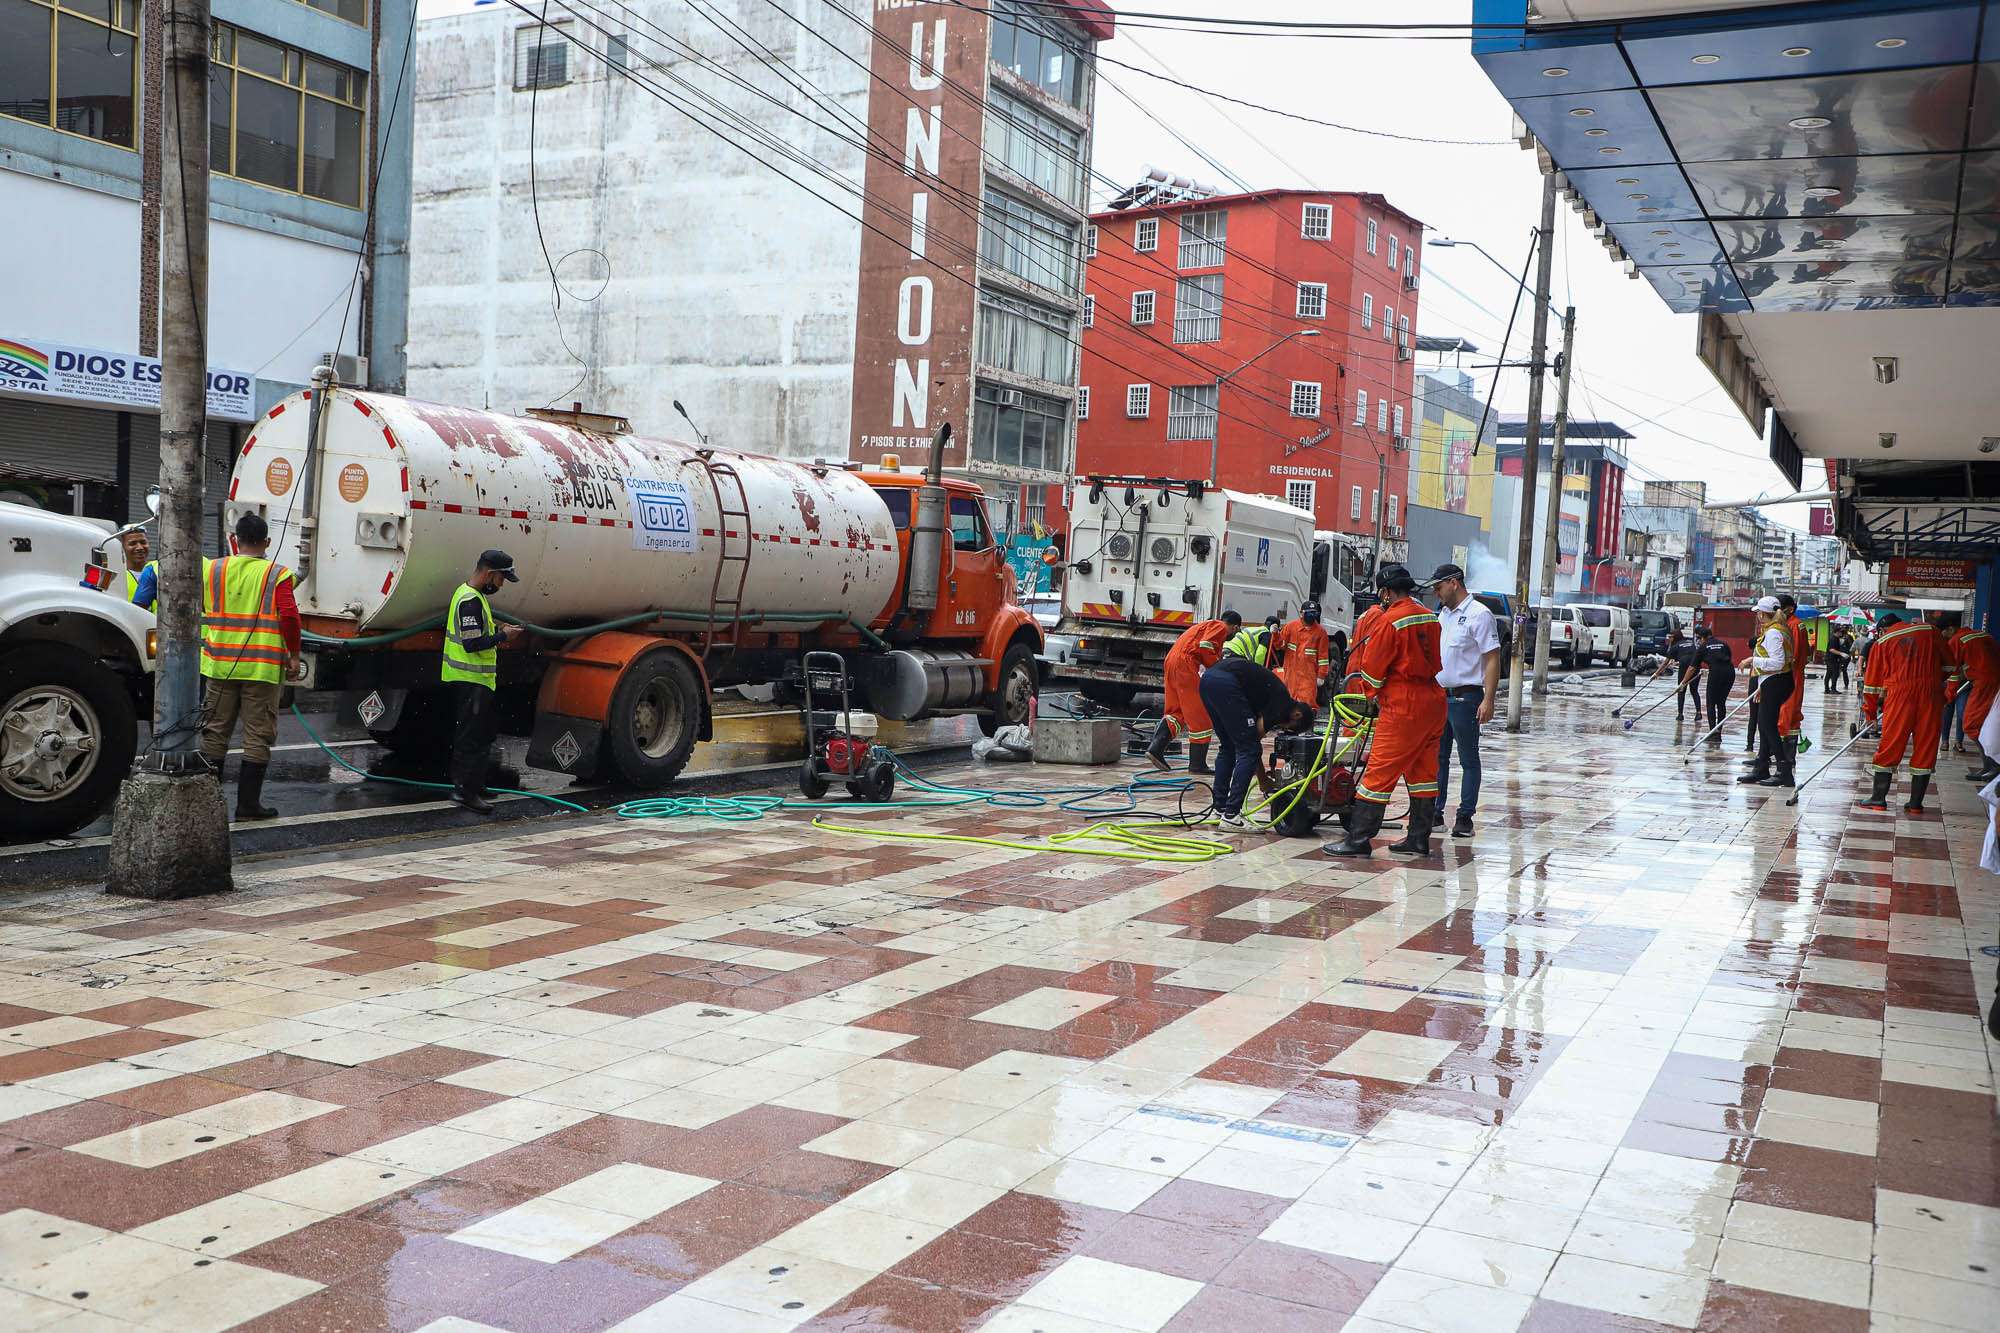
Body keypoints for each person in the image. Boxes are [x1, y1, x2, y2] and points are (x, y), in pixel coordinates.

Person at [1324, 564, 1446, 857]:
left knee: (1378, 772)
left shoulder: (1390, 620)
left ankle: (1358, 840)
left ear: (1387, 592)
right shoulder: (1431, 617)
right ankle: (1418, 839)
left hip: (1404, 703)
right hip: (1434, 698)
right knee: (1424, 772)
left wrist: (1370, 696)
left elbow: (1374, 670)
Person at [198, 513, 301, 820]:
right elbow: (290, 618)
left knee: (214, 732)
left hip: (219, 665)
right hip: (261, 667)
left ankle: (207, 807)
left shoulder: (214, 569)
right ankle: (247, 806)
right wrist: (294, 655)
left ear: (234, 540)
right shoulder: (277, 574)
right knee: (257, 735)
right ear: (267, 542)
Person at [1197, 637, 1313, 831]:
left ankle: (1220, 808)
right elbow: (1251, 745)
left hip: (1208, 680)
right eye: (1290, 727)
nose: (1283, 728)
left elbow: (1247, 740)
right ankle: (1231, 816)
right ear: (1297, 714)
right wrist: (1263, 781)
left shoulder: (1273, 697)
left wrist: (1263, 780)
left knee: (1228, 746)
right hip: (1226, 683)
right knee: (1248, 750)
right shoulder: (1282, 704)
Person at [444, 549, 525, 813]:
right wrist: (504, 637)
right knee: (471, 737)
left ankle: (475, 784)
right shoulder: (470, 601)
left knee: (483, 734)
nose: (501, 585)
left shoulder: (473, 596)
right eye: (502, 579)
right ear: (490, 574)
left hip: (479, 680)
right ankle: (464, 793)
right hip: (469, 679)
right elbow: (472, 644)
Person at [1430, 564, 1499, 839]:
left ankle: (1464, 817)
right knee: (1438, 757)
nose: (1436, 592)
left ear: (1454, 583)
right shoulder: (1443, 615)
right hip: (1439, 696)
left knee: (1468, 759)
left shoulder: (1479, 615)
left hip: (1466, 696)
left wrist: (1489, 699)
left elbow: (1492, 658)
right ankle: (1435, 811)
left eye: (1439, 587)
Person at [1859, 609, 1947, 815]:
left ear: (1881, 630)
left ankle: (1878, 799)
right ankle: (1916, 804)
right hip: (1931, 695)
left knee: (1890, 745)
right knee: (1926, 746)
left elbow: (1870, 686)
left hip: (1900, 697)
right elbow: (1950, 665)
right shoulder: (1931, 631)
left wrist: (1870, 715)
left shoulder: (1882, 643)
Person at [1146, 610, 1240, 774]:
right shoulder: (1220, 626)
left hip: (1172, 661)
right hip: (1185, 664)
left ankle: (1156, 748)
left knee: (1178, 711)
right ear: (1235, 627)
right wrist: (1219, 669)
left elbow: (1203, 647)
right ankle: (1197, 764)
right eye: (1236, 631)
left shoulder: (1205, 625)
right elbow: (1205, 647)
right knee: (1200, 714)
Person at [1737, 596, 1796, 788]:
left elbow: (1777, 663)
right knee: (1764, 725)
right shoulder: (1779, 630)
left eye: (1758, 613)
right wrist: (1762, 685)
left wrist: (1752, 661)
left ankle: (1783, 770)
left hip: (1777, 681)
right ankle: (1762, 767)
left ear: (1762, 614)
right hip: (1774, 682)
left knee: (1767, 726)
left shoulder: (1773, 633)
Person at [1947, 620, 2000, 783]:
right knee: (1986, 723)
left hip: (1984, 684)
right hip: (1993, 682)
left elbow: (1953, 671)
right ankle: (1989, 767)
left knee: (1972, 724)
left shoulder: (1957, 640)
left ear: (1951, 628)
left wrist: (1948, 695)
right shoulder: (1983, 635)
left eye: (1944, 633)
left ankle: (1994, 766)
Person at [1269, 602, 1332, 711]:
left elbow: (1323, 657)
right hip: (1291, 673)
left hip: (1308, 675)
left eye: (1314, 613)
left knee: (1307, 702)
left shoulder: (1321, 633)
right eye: (1309, 613)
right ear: (1301, 613)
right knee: (1289, 699)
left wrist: (1321, 676)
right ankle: (1290, 723)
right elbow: (1280, 646)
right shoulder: (1291, 627)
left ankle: (1306, 724)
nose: (1312, 616)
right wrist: (1275, 635)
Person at [1774, 594, 1811, 760]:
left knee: (1786, 714)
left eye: (1779, 609)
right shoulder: (1791, 624)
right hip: (1792, 674)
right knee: (1790, 715)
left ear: (1789, 609)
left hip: (1790, 674)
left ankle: (1784, 758)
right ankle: (1786, 758)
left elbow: (1792, 655)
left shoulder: (1794, 625)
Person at [1646, 626, 1704, 722]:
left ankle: (1680, 714)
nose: (1669, 639)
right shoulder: (1690, 643)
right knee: (1694, 690)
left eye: (1671, 637)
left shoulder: (1675, 646)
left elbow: (1665, 663)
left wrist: (1656, 674)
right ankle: (1698, 713)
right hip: (1695, 666)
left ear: (1675, 637)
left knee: (1681, 690)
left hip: (1685, 666)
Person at [1697, 626, 1735, 732]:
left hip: (1716, 673)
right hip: (1729, 672)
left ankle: (1713, 731)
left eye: (1699, 638)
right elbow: (1729, 657)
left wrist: (1683, 682)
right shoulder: (1724, 644)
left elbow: (1692, 667)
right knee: (1721, 702)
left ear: (1702, 638)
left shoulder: (1703, 646)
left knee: (1711, 703)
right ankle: (1719, 730)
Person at [1824, 624, 1852, 694]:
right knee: (1834, 674)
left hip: (1831, 659)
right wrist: (1841, 653)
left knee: (1829, 673)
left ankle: (1827, 689)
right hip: (1831, 659)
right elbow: (1831, 649)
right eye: (1840, 632)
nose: (1841, 633)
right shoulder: (1833, 639)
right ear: (1837, 632)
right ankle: (1832, 689)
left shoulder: (1836, 638)